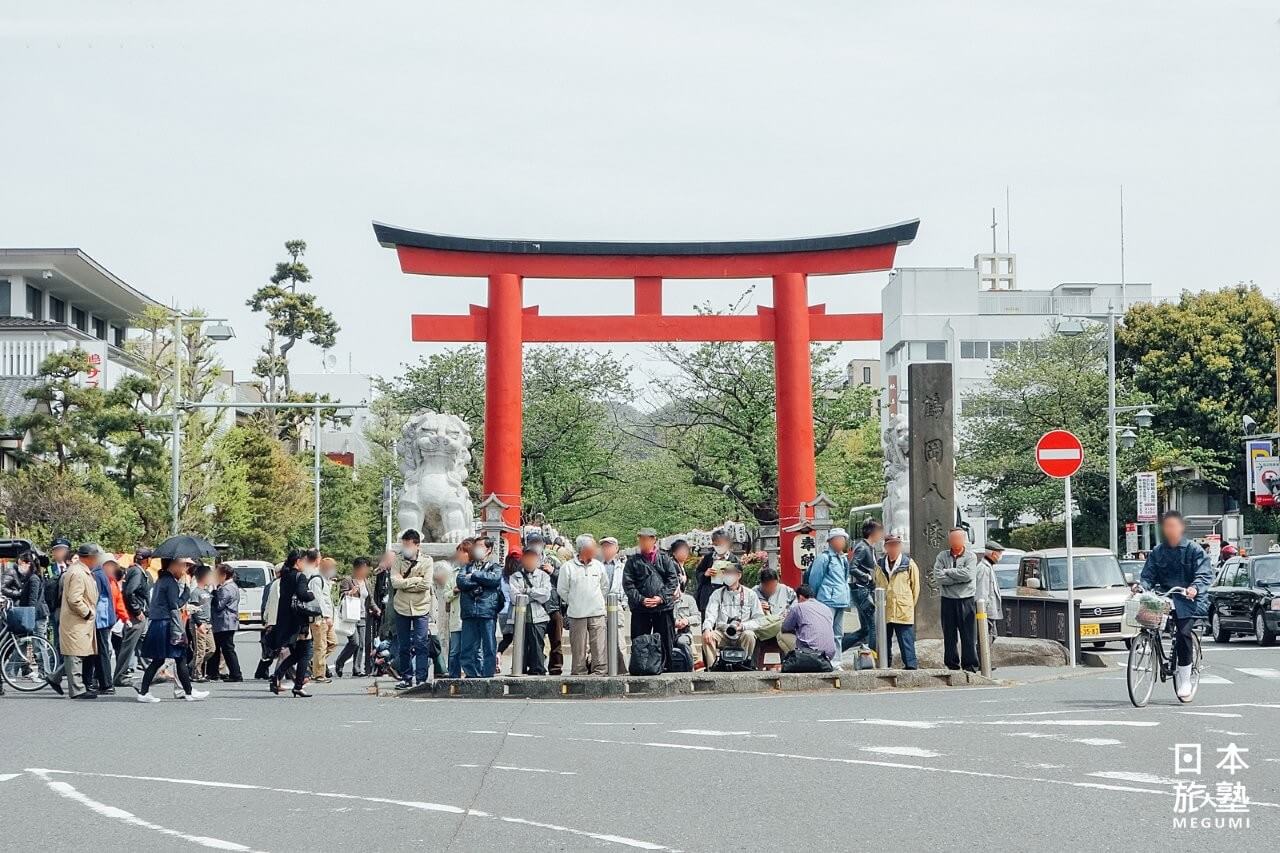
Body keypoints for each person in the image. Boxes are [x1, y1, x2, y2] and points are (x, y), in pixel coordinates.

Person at [1139, 511, 1213, 700]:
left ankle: (1186, 678)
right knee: (1146, 615)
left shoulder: (1194, 550)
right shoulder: (1158, 551)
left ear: (1181, 528)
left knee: (1183, 633)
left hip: (1189, 600)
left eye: (1173, 526)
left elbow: (1204, 574)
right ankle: (1145, 644)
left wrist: (1195, 588)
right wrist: (1142, 586)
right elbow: (1148, 575)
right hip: (1166, 597)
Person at [136, 557, 209, 702]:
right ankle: (186, 692)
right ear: (173, 564)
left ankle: (185, 691)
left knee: (164, 659)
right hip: (167, 624)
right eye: (183, 565)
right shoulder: (170, 583)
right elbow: (174, 605)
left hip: (159, 623)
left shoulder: (162, 580)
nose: (184, 569)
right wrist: (187, 593)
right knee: (177, 657)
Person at [622, 528, 680, 672]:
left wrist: (660, 598)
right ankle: (641, 666)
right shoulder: (632, 561)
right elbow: (628, 584)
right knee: (639, 639)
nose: (644, 542)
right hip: (641, 608)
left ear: (654, 540)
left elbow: (672, 580)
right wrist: (641, 599)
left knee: (666, 639)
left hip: (663, 607)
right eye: (641, 539)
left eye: (647, 539)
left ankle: (666, 667)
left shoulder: (665, 559)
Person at [51, 544, 102, 699]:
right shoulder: (78, 572)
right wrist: (87, 613)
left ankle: (55, 677)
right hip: (76, 620)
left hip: (81, 621)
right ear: (89, 557)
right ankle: (77, 689)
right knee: (75, 654)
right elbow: (74, 599)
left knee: (81, 652)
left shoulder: (82, 571)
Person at [270, 549, 319, 697]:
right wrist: (312, 594)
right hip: (299, 620)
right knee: (306, 653)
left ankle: (277, 676)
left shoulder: (285, 576)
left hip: (287, 620)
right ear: (298, 562)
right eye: (303, 561)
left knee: (297, 653)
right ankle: (298, 685)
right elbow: (303, 594)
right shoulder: (300, 576)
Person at [558, 535, 610, 675]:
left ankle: (599, 671)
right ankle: (579, 672)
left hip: (597, 612)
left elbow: (605, 586)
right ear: (583, 549)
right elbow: (562, 589)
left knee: (599, 645)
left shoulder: (598, 566)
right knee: (578, 647)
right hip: (577, 613)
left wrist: (597, 599)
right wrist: (574, 600)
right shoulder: (567, 567)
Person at [390, 530, 434, 689]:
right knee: (403, 645)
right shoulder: (398, 560)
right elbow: (395, 582)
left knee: (421, 643)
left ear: (417, 545)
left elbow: (426, 584)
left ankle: (422, 678)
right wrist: (416, 580)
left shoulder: (427, 561)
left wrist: (406, 583)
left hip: (421, 607)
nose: (406, 548)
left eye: (408, 545)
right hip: (401, 606)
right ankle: (406, 677)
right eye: (404, 544)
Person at [701, 561, 764, 668]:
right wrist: (707, 629)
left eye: (730, 573)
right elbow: (710, 614)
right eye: (725, 573)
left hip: (742, 632)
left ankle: (744, 665)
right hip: (723, 632)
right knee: (708, 637)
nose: (727, 576)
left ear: (739, 575)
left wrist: (743, 626)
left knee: (749, 635)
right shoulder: (717, 594)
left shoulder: (751, 594)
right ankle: (712, 668)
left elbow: (759, 619)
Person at [933, 527, 979, 673]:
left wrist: (949, 572)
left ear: (963, 539)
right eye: (952, 538)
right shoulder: (942, 556)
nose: (955, 541)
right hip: (947, 600)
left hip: (966, 599)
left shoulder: (971, 556)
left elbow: (968, 575)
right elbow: (938, 577)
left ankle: (970, 665)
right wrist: (956, 577)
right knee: (949, 634)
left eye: (958, 538)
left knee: (968, 635)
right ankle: (951, 665)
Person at [457, 537, 502, 677]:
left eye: (481, 546)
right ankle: (472, 674)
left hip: (487, 611)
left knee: (489, 646)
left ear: (489, 549)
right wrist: (481, 582)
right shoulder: (466, 567)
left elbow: (494, 579)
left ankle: (488, 675)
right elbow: (461, 582)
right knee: (467, 647)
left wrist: (474, 576)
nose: (477, 549)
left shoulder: (494, 567)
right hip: (469, 612)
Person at [874, 535, 920, 669]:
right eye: (891, 545)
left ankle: (911, 666)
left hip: (902, 609)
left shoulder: (908, 564)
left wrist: (909, 605)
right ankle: (884, 666)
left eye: (896, 545)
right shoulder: (880, 565)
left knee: (906, 640)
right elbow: (876, 583)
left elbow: (915, 588)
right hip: (885, 608)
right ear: (886, 547)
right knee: (884, 641)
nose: (894, 548)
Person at [525, 532, 564, 675]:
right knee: (535, 642)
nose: (535, 545)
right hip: (534, 606)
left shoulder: (552, 559)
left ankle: (556, 668)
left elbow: (565, 579)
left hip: (553, 606)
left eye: (538, 542)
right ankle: (536, 667)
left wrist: (552, 571)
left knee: (556, 641)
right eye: (532, 542)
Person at [806, 528, 852, 647]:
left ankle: (836, 662)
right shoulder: (824, 558)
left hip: (841, 600)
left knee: (838, 633)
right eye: (839, 539)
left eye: (843, 539)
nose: (841, 542)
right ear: (831, 541)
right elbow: (815, 579)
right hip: (826, 600)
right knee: (825, 631)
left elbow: (845, 579)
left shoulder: (843, 559)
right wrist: (813, 597)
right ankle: (825, 660)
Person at [509, 548, 552, 674]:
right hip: (520, 616)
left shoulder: (543, 576)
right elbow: (515, 597)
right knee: (520, 645)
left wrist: (527, 591)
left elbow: (545, 595)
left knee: (537, 645)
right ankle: (519, 668)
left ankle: (538, 669)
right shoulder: (515, 577)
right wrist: (534, 595)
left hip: (538, 616)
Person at [113, 548, 151, 687]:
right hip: (136, 616)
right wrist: (137, 611)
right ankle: (120, 676)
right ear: (147, 559)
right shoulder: (136, 571)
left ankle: (153, 670)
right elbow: (129, 592)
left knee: (144, 643)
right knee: (128, 646)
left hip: (141, 614)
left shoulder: (137, 571)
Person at [846, 519, 882, 650]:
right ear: (873, 532)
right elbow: (852, 567)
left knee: (866, 629)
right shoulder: (862, 547)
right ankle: (874, 655)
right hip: (862, 590)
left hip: (864, 589)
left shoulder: (870, 548)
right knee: (873, 625)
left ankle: (838, 648)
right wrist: (867, 577)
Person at [779, 583, 837, 664]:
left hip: (810, 654)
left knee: (781, 635)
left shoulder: (798, 607)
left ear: (801, 597)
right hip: (829, 654)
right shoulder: (826, 608)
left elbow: (785, 628)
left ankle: (795, 661)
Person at [334, 557, 371, 677]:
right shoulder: (348, 580)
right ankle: (340, 662)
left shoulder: (366, 581)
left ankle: (357, 669)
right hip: (351, 616)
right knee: (354, 642)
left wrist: (376, 609)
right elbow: (341, 594)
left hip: (362, 615)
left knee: (361, 644)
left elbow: (370, 598)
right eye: (363, 568)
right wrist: (350, 592)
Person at [434, 542, 466, 678]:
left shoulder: (476, 572)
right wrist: (454, 591)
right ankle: (453, 675)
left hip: (471, 616)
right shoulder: (453, 573)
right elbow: (446, 594)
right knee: (454, 650)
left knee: (473, 649)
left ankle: (474, 675)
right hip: (456, 617)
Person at [208, 564, 243, 681]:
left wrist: (213, 593)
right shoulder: (231, 586)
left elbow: (219, 605)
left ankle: (236, 674)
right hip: (226, 621)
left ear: (224, 575)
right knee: (218, 647)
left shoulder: (227, 588)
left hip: (224, 622)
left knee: (227, 649)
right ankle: (213, 672)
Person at [694, 528, 738, 620]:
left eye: (721, 544)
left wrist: (729, 576)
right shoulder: (708, 558)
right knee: (707, 624)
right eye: (716, 544)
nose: (719, 546)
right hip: (707, 596)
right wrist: (705, 574)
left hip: (726, 597)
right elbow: (698, 573)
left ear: (727, 543)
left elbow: (739, 578)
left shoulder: (734, 559)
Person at [600, 535, 629, 673]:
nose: (607, 549)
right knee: (600, 639)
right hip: (600, 605)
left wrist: (623, 603)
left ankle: (622, 668)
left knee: (619, 638)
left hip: (616, 603)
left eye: (610, 546)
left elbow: (626, 586)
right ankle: (602, 668)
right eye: (604, 546)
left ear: (616, 549)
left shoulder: (622, 567)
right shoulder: (597, 566)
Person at [753, 566, 797, 653]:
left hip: (781, 626)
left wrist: (788, 613)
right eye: (768, 586)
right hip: (762, 629)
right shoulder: (753, 592)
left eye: (774, 586)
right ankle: (753, 665)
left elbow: (796, 604)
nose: (771, 589)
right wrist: (757, 608)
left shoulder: (786, 590)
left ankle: (787, 663)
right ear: (762, 584)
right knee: (751, 636)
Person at [309, 557, 338, 683]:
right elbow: (318, 601)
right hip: (320, 619)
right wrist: (325, 617)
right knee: (320, 646)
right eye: (331, 567)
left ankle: (314, 663)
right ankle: (319, 674)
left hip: (327, 618)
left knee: (333, 642)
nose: (333, 570)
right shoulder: (317, 580)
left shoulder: (325, 580)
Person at [975, 541, 1006, 656]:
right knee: (985, 637)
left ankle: (985, 661)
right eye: (1000, 553)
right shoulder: (983, 569)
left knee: (990, 636)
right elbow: (981, 593)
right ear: (993, 553)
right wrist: (983, 612)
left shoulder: (988, 567)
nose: (1000, 556)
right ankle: (982, 663)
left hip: (989, 611)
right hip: (985, 612)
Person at [255, 563, 283, 680]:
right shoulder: (273, 585)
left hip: (275, 620)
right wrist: (265, 621)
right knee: (273, 649)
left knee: (274, 650)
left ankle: (262, 672)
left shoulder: (275, 585)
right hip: (274, 621)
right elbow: (266, 604)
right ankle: (265, 672)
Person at [188, 564, 215, 683]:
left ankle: (190, 665)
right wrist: (199, 624)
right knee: (200, 650)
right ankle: (196, 673)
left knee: (211, 649)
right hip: (199, 624)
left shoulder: (207, 591)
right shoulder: (195, 592)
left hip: (208, 623)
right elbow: (193, 610)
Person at [673, 576, 701, 663]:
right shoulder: (663, 601)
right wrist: (674, 622)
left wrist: (687, 620)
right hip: (668, 633)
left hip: (684, 633)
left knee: (682, 642)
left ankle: (690, 666)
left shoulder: (689, 599)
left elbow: (697, 618)